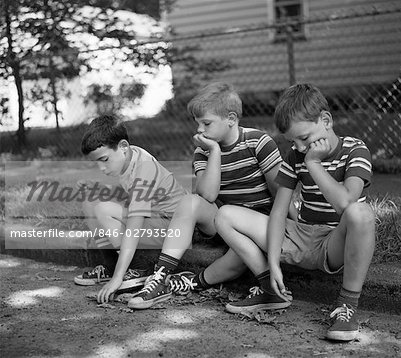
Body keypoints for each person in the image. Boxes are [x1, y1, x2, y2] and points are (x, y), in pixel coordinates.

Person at [215, 83, 375, 342]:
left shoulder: (355, 150)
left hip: (334, 243)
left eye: (305, 138)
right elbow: (279, 212)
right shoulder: (295, 156)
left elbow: (345, 203)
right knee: (225, 215)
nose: (300, 148)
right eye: (293, 141)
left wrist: (313, 163)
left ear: (325, 120)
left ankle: (346, 307)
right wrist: (274, 263)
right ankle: (269, 286)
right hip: (300, 236)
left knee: (361, 213)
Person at [127, 82, 284, 310]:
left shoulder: (259, 142)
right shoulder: (203, 150)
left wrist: (292, 224)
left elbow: (279, 190)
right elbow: (207, 195)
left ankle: (194, 281)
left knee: (238, 259)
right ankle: (161, 277)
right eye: (198, 124)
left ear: (231, 119)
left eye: (206, 123)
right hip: (221, 221)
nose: (199, 130)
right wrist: (215, 152)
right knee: (191, 201)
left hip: (257, 224)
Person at [73, 114, 188, 304]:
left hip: (172, 225)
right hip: (154, 218)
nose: (101, 168)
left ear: (123, 147)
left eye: (104, 159)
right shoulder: (130, 156)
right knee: (90, 198)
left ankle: (135, 270)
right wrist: (102, 189)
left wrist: (117, 280)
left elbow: (134, 226)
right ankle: (110, 265)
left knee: (104, 210)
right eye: (97, 162)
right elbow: (132, 193)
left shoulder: (143, 168)